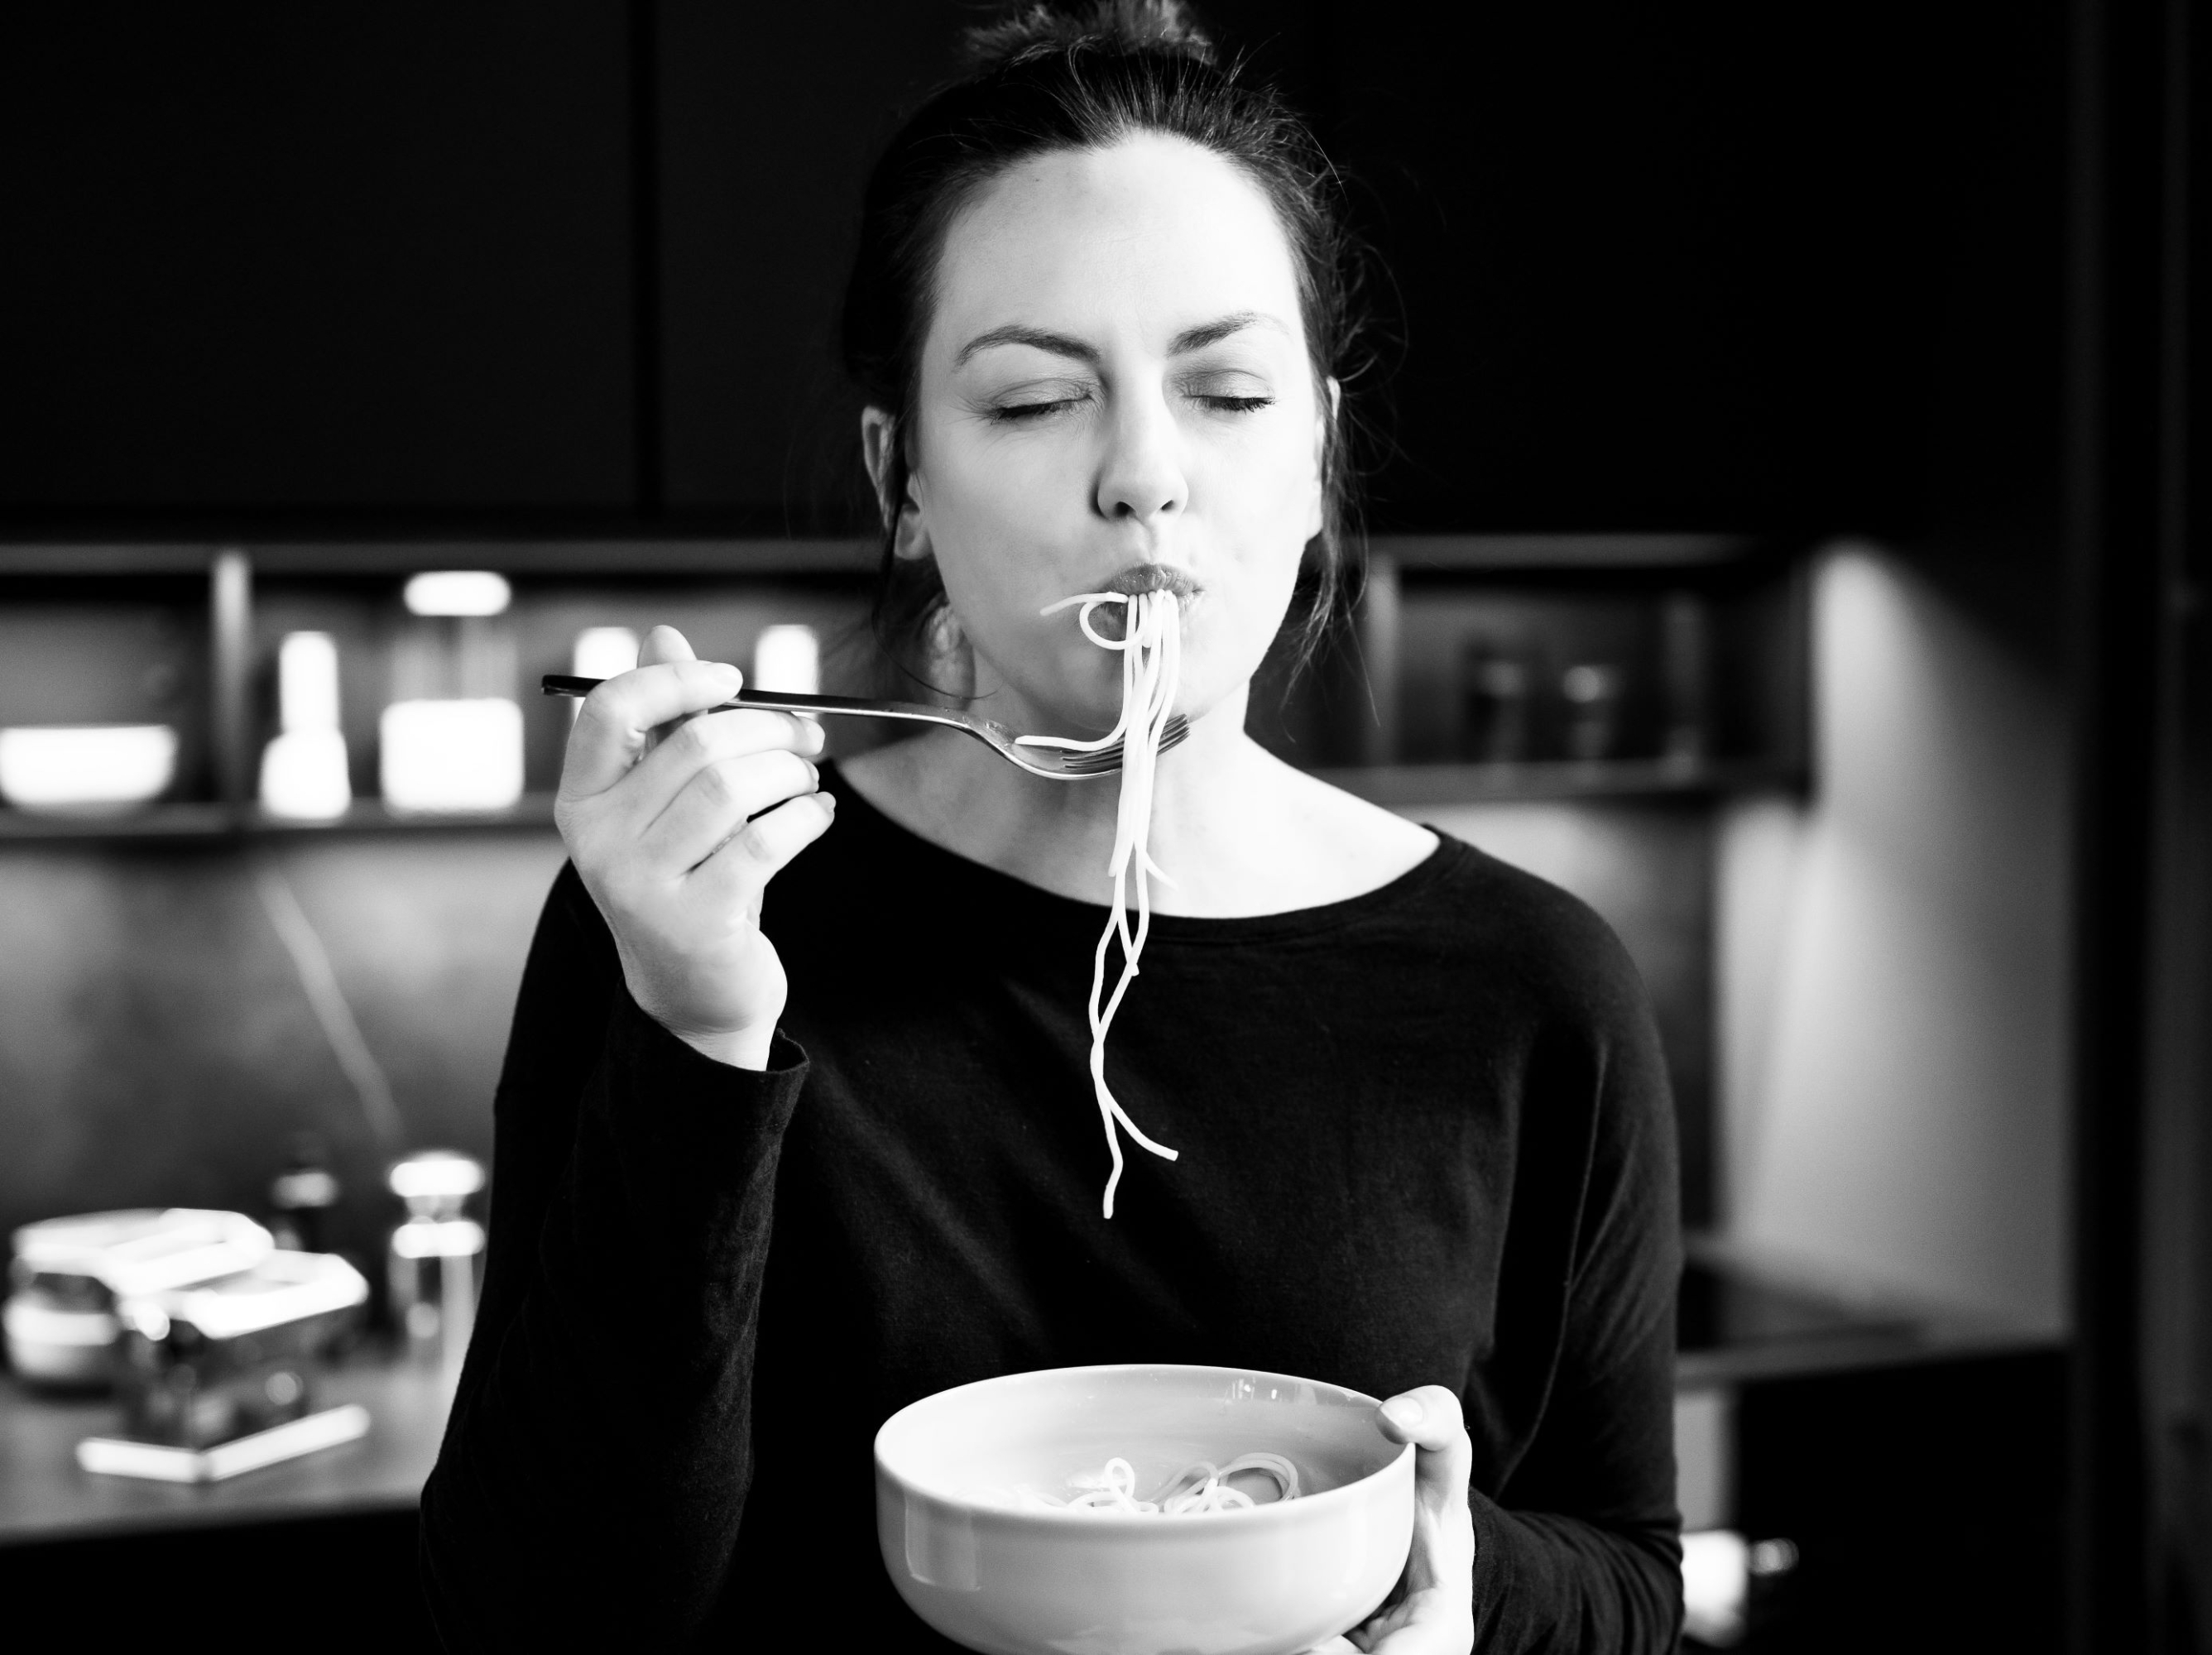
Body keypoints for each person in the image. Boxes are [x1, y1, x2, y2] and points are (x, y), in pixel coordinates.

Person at [418, 3, 1682, 1649]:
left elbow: (1630, 1578)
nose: (1144, 476)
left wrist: (1460, 1592)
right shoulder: (689, 919)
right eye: (1031, 403)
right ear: (901, 481)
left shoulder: (1532, 986)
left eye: (1227, 391)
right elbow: (532, 1621)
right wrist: (700, 1025)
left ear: (1317, 452)